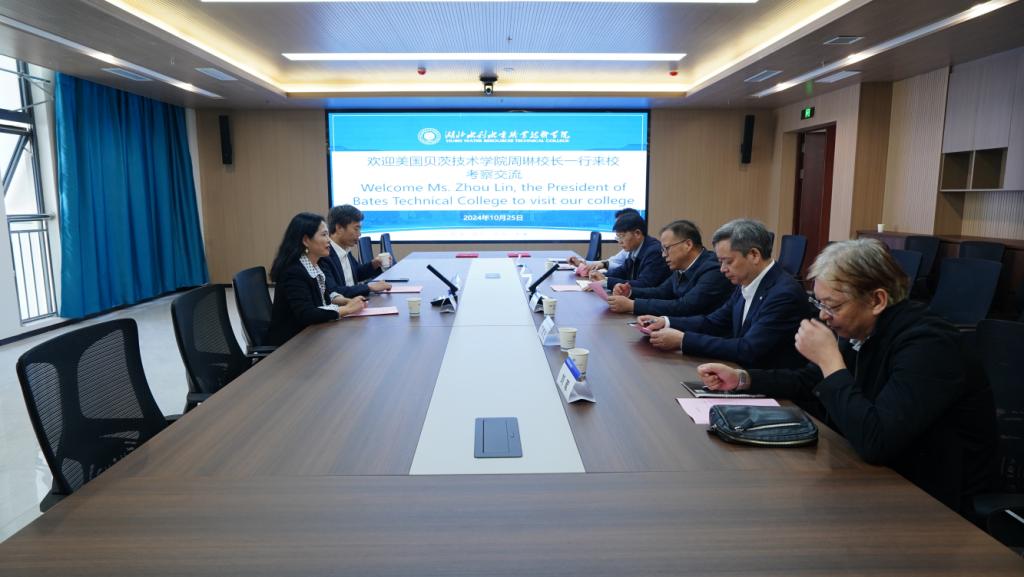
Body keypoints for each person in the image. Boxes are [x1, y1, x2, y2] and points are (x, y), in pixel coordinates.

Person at [696, 239, 995, 512]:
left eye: (833, 306)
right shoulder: (864, 326)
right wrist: (743, 379)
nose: (823, 315)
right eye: (820, 303)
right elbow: (809, 381)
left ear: (877, 300)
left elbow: (876, 441)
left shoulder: (929, 345)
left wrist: (830, 361)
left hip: (935, 500)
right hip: (874, 476)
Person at [638, 218, 807, 369]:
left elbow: (748, 349)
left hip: (766, 383)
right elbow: (714, 322)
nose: (722, 269)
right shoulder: (746, 281)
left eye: (728, 261)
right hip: (737, 371)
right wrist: (666, 322)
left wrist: (683, 340)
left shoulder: (784, 294)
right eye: (720, 262)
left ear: (754, 255)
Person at [267, 212, 367, 346]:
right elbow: (307, 314)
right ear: (306, 240)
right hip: (292, 343)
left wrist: (345, 301)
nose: (329, 240)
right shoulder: (293, 272)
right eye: (324, 235)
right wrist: (346, 309)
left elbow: (323, 295)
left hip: (314, 333)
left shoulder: (316, 264)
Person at [606, 219, 731, 316]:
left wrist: (633, 305)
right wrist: (630, 292)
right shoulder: (681, 266)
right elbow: (662, 292)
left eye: (667, 248)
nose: (663, 255)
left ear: (688, 245)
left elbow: (685, 306)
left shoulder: (713, 269)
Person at [588, 211, 670, 292]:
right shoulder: (635, 247)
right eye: (618, 237)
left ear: (637, 233)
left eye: (622, 236)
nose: (620, 241)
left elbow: (644, 284)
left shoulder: (654, 252)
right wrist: (602, 276)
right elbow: (623, 271)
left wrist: (606, 282)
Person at [321, 204, 392, 298]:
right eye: (356, 228)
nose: (359, 233)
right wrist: (369, 287)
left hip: (356, 301)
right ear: (339, 228)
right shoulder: (324, 255)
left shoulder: (345, 249)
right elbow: (333, 291)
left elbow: (357, 273)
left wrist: (374, 264)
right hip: (345, 305)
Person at [568, 208, 639, 275]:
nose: (617, 227)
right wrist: (583, 263)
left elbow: (625, 272)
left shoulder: (643, 251)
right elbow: (612, 261)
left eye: (620, 224)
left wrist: (604, 271)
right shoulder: (630, 249)